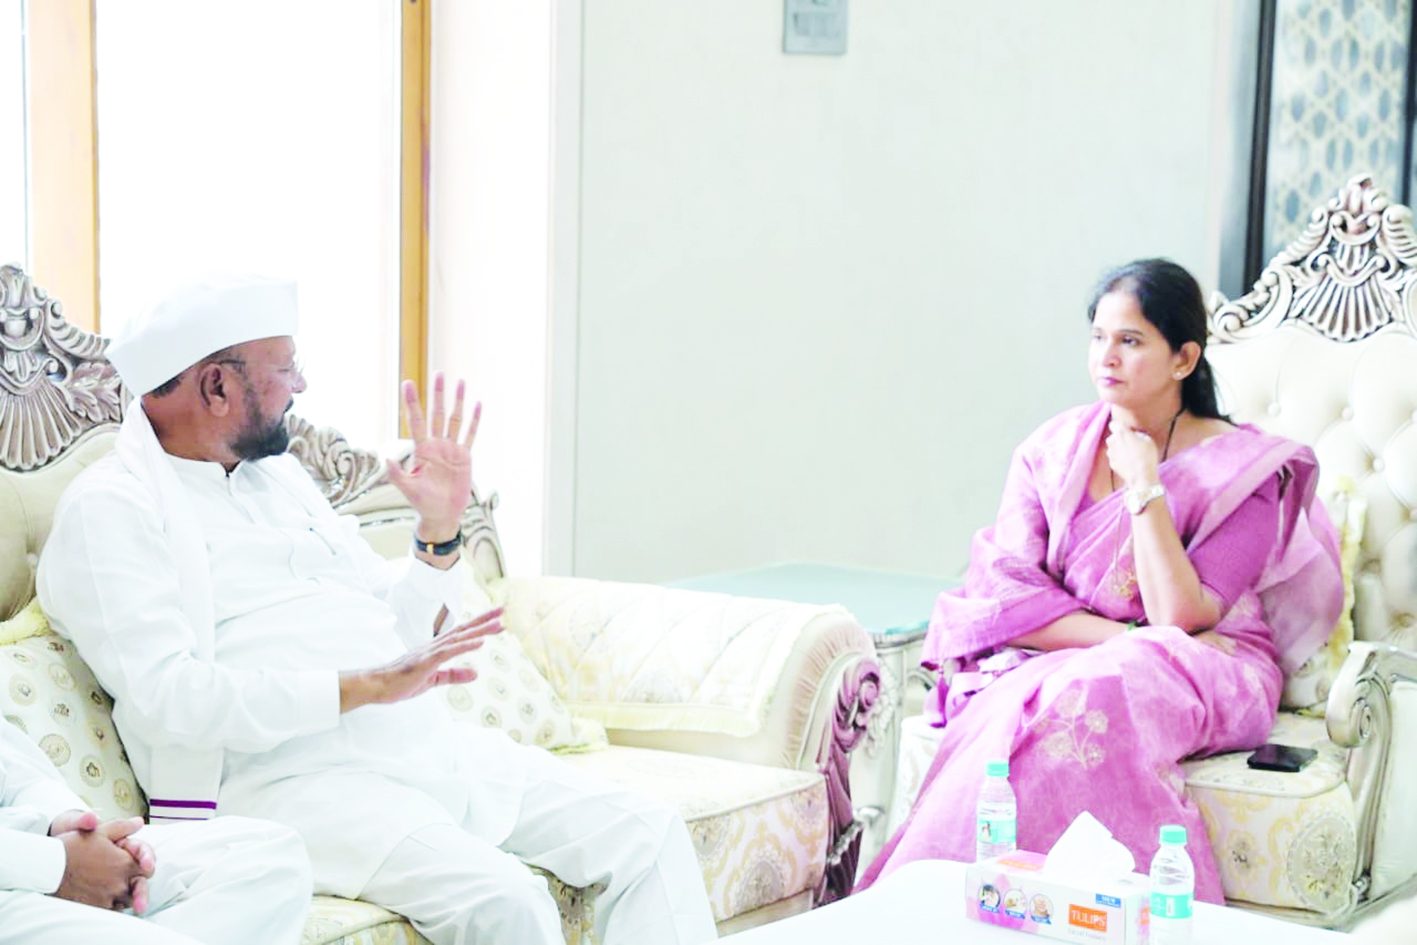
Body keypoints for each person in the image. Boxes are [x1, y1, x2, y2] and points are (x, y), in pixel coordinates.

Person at [37, 275, 717, 945]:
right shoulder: (111, 510)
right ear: (216, 387)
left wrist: (438, 533)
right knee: (506, 900)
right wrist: (361, 687)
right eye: (285, 368)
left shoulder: (281, 479)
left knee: (648, 832)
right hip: (296, 783)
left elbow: (399, 633)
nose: (301, 384)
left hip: (419, 744)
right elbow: (171, 697)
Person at [858, 259, 1343, 903]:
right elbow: (1006, 598)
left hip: (1209, 661)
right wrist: (1121, 637)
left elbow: (1179, 616)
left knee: (1096, 686)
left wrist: (1145, 484)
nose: (1106, 357)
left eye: (1130, 340)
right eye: (1098, 337)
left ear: (1183, 358)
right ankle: (948, 906)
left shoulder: (1246, 471)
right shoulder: (1052, 451)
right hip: (1078, 654)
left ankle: (1123, 917)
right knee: (1035, 709)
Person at [1, 716, 311, 944]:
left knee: (269, 855)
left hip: (26, 834)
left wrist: (70, 827)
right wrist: (58, 864)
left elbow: (18, 773)